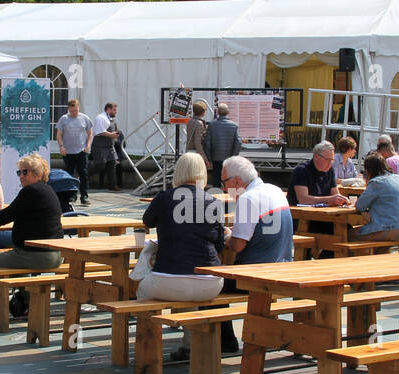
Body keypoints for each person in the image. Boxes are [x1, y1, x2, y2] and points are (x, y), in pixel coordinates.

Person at [138, 152, 227, 362]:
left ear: (178, 172)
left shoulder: (164, 198)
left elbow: (147, 221)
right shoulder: (213, 202)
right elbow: (220, 244)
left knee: (142, 290)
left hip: (169, 279)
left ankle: (148, 348)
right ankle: (190, 346)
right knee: (189, 291)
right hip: (210, 282)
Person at [220, 155, 293, 353]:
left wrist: (227, 236)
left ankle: (224, 341)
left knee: (207, 283)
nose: (225, 189)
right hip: (283, 270)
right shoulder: (275, 190)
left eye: (225, 183)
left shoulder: (248, 199)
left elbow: (237, 246)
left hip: (256, 277)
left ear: (236, 181)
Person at [0, 154, 65, 273]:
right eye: (19, 173)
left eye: (25, 172)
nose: (21, 176)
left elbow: (6, 215)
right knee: (16, 261)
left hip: (38, 256)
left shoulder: (31, 191)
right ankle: (23, 291)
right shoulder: (48, 190)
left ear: (38, 174)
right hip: (56, 255)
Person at [353, 152, 399, 242]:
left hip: (392, 229)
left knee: (349, 235)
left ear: (368, 170)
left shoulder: (376, 182)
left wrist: (364, 212)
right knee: (380, 244)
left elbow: (359, 205)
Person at [287, 140, 350, 207]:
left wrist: (342, 200)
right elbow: (303, 199)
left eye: (332, 160)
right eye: (327, 159)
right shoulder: (301, 170)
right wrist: (329, 199)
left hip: (322, 213)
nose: (330, 163)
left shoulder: (330, 170)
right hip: (300, 213)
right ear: (317, 157)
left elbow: (335, 194)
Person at [57, 98, 94, 205]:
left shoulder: (85, 118)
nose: (73, 113)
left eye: (75, 111)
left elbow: (90, 134)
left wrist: (88, 146)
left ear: (79, 107)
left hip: (81, 150)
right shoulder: (63, 119)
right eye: (71, 111)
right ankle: (72, 195)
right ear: (68, 109)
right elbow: (59, 134)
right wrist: (61, 146)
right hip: (68, 151)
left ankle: (84, 196)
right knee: (69, 174)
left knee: (83, 173)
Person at [206, 103, 243, 189]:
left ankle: (217, 198)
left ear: (218, 112)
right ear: (228, 112)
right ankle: (230, 200)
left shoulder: (212, 125)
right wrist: (234, 156)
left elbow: (207, 143)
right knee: (229, 180)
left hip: (216, 158)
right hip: (229, 158)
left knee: (216, 180)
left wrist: (209, 157)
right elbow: (238, 142)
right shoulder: (234, 125)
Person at [91, 101, 120, 191]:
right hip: (99, 146)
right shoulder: (101, 118)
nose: (116, 112)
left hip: (110, 147)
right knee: (100, 166)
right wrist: (112, 135)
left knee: (112, 164)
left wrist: (115, 135)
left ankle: (112, 185)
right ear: (108, 109)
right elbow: (100, 131)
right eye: (114, 110)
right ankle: (82, 177)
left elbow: (114, 130)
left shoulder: (111, 119)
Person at [186, 100, 210, 164]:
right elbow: (197, 143)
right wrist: (205, 158)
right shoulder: (199, 123)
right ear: (203, 112)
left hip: (188, 152)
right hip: (196, 154)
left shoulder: (190, 121)